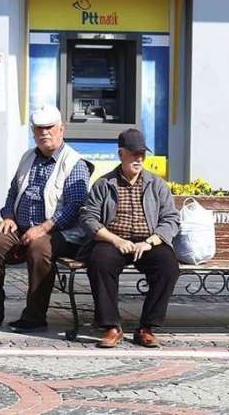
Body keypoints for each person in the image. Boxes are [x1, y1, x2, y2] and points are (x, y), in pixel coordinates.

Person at [0, 104, 91, 332]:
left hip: (60, 233)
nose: (44, 133)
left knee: (39, 248)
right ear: (33, 132)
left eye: (49, 127)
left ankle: (34, 316)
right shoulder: (28, 157)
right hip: (22, 227)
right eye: (38, 128)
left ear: (61, 129)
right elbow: (13, 191)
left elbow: (75, 207)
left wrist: (44, 228)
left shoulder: (75, 163)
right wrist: (8, 216)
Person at [78, 128, 181, 348]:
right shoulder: (104, 184)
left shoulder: (156, 184)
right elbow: (88, 218)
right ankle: (111, 327)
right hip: (113, 240)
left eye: (142, 154)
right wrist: (115, 240)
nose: (139, 159)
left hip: (148, 240)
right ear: (121, 154)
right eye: (134, 153)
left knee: (168, 265)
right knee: (100, 261)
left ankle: (147, 327)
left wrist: (151, 241)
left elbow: (171, 219)